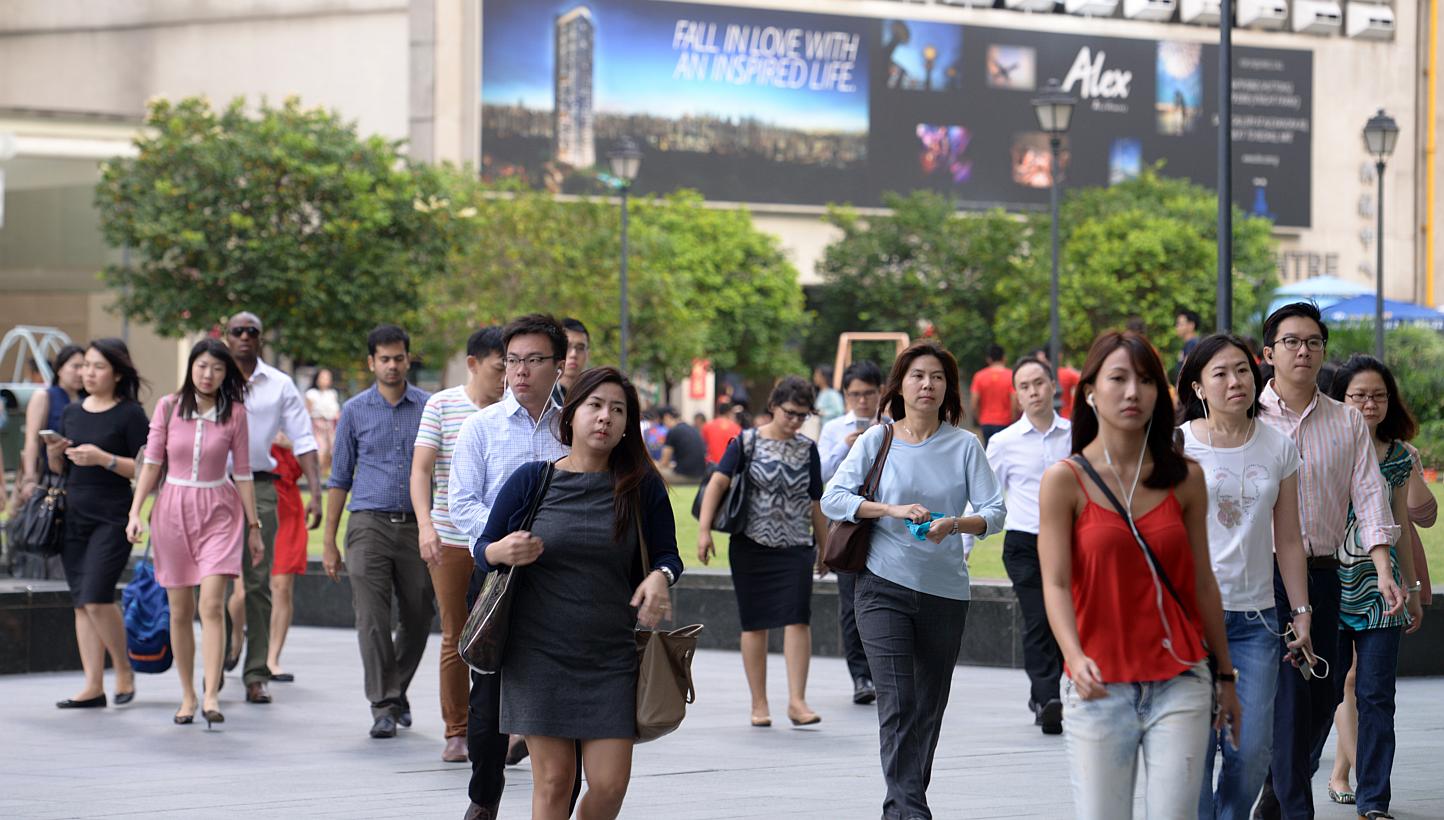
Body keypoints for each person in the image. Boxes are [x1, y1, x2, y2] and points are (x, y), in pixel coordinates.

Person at [1036, 330, 1240, 819]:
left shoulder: (1185, 477)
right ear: (1089, 391)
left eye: (1146, 380)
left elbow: (1202, 582)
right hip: (1098, 685)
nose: (1133, 392)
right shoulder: (1065, 480)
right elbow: (1056, 582)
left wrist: (1226, 676)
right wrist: (1074, 654)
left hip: (1181, 681)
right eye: (1118, 378)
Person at [478, 366, 681, 820]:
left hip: (610, 655)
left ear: (628, 424)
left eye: (617, 409)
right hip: (537, 654)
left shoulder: (640, 487)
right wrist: (501, 549)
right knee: (554, 782)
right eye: (595, 405)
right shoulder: (533, 480)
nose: (605, 417)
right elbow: (482, 549)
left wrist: (659, 576)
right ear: (571, 416)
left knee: (609, 786)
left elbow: (669, 554)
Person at [821, 341, 1007, 819]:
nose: (927, 384)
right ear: (900, 385)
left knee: (926, 709)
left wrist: (956, 524)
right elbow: (833, 498)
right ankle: (910, 810)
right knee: (899, 701)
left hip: (946, 592)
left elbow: (995, 512)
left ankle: (902, 805)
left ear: (948, 388)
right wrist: (890, 509)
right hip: (882, 586)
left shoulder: (964, 445)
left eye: (937, 377)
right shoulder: (876, 440)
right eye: (918, 375)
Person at [1252, 303, 1402, 820]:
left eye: (1313, 342)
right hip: (1261, 576)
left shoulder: (1346, 421)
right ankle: (1295, 806)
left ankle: (1278, 780)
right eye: (1291, 342)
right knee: (1294, 698)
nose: (1303, 351)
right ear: (1268, 353)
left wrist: (1384, 570)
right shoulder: (1248, 416)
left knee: (1325, 692)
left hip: (1325, 573)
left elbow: (1369, 496)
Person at [1175, 334, 1315, 819]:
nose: (1236, 381)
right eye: (1220, 373)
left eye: (1242, 369)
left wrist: (1300, 612)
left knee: (1251, 749)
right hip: (1189, 619)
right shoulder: (1179, 446)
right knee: (1193, 749)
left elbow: (1290, 539)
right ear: (1198, 386)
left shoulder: (1278, 445)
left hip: (1256, 621)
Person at [447, 313, 572, 820]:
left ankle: (561, 797)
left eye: (533, 361)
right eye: (513, 362)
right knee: (489, 695)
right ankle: (485, 796)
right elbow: (461, 502)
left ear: (558, 366)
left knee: (564, 692)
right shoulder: (482, 426)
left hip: (565, 581)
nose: (519, 372)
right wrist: (503, 541)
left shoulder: (575, 424)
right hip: (497, 575)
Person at [126, 339, 263, 727]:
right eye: (202, 366)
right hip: (173, 512)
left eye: (217, 369)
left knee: (212, 605)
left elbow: (245, 473)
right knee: (181, 610)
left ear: (226, 374)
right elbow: (151, 464)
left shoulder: (235, 413)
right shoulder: (168, 407)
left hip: (220, 511)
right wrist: (136, 512)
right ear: (191, 367)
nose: (208, 375)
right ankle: (187, 696)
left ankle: (211, 694)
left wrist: (254, 527)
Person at [1319, 355, 1425, 818]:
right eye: (1358, 395)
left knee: (1378, 696)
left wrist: (1415, 589)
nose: (1369, 403)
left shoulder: (1399, 456)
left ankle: (1374, 800)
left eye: (1378, 395)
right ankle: (1289, 790)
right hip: (1327, 586)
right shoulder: (1322, 445)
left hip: (1382, 593)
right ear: (1339, 399)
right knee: (1320, 695)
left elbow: (1402, 521)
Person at [322, 324, 433, 740]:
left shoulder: (428, 406)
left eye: (398, 358)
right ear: (372, 362)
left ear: (408, 359)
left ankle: (396, 688)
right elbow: (339, 478)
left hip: (417, 525)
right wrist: (330, 541)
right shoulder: (354, 410)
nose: (391, 365)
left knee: (420, 614)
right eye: (383, 359)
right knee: (371, 617)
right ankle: (383, 704)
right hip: (367, 523)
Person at [697, 376, 828, 728]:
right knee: (754, 623)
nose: (796, 421)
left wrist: (824, 545)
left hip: (796, 545)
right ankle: (759, 703)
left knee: (798, 618)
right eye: (790, 413)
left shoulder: (807, 448)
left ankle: (797, 702)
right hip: (751, 544)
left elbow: (816, 501)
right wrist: (704, 530)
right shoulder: (746, 442)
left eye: (803, 415)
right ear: (773, 406)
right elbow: (718, 483)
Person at [410, 325, 506, 763]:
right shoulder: (442, 405)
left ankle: (509, 727)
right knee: (456, 633)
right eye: (499, 367)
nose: (506, 377)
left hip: (502, 543)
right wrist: (425, 526)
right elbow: (420, 471)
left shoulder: (514, 411)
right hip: (450, 539)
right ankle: (457, 729)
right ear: (473, 364)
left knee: (506, 633)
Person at [222, 312, 322, 706]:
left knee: (259, 582)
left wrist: (315, 490)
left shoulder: (279, 384)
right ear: (227, 336)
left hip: (261, 485)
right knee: (210, 582)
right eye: (237, 331)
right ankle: (216, 661)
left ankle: (256, 672)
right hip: (213, 486)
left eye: (252, 332)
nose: (245, 337)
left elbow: (303, 439)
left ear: (261, 339)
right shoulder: (211, 376)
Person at [46, 339, 150, 710]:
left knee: (96, 596)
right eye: (85, 365)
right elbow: (61, 470)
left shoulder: (130, 415)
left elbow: (147, 468)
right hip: (74, 514)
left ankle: (123, 669)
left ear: (117, 373)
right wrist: (54, 454)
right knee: (81, 603)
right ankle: (92, 685)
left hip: (113, 515)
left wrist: (104, 459)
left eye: (98, 366)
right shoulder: (72, 413)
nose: (88, 373)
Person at [986, 356, 1072, 735]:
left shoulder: (1075, 435)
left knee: (1064, 621)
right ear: (1016, 395)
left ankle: (1046, 695)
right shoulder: (1003, 443)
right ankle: (1047, 696)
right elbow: (987, 498)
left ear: (1053, 385)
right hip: (1024, 542)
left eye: (1039, 383)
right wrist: (966, 548)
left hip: (1070, 542)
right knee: (1038, 619)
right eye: (1025, 386)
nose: (1034, 391)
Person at [817, 360, 885, 706]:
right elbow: (820, 476)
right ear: (845, 395)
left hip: (887, 519)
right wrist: (846, 446)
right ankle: (860, 675)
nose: (861, 401)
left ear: (880, 393)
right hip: (847, 521)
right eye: (855, 394)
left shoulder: (893, 426)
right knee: (850, 601)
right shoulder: (832, 430)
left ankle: (884, 671)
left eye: (868, 394)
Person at [10, 344, 85, 517]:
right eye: (75, 366)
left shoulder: (88, 399)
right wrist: (29, 478)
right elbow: (32, 439)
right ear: (59, 369)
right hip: (49, 478)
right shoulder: (45, 396)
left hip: (81, 479)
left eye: (84, 366)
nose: (80, 372)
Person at [265, 432, 306, 682]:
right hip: (252, 507)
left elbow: (315, 467)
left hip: (287, 512)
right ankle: (235, 642)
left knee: (281, 587)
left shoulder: (293, 424)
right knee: (241, 593)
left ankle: (272, 659)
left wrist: (293, 446)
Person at [970, 343, 1016, 444]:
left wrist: (980, 419)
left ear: (989, 359)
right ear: (1004, 358)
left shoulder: (979, 376)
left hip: (986, 422)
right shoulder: (1011, 375)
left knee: (989, 453)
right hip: (1006, 422)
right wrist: (1013, 419)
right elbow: (1014, 401)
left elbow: (974, 404)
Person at [305, 368, 341, 475]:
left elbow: (336, 411)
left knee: (331, 450)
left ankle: (325, 473)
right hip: (317, 424)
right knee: (320, 449)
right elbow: (308, 411)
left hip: (331, 425)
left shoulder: (332, 393)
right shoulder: (311, 394)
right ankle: (317, 473)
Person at [656, 406, 706, 480]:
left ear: (666, 417)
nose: (664, 427)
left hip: (685, 475)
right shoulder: (693, 429)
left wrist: (655, 464)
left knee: (655, 473)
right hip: (701, 474)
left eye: (662, 423)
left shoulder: (673, 431)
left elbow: (664, 463)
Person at [551, 317, 591, 406]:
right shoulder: (543, 395)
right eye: (567, 346)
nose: (573, 354)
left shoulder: (593, 394)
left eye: (580, 348)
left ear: (588, 354)